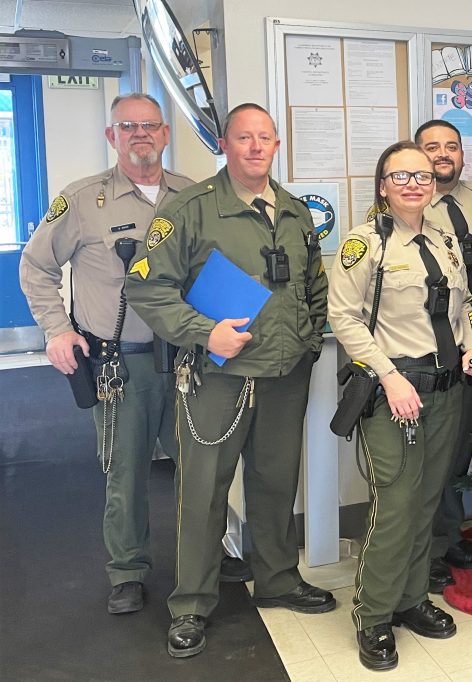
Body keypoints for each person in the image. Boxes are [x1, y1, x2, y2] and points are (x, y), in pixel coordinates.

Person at [124, 103, 334, 659]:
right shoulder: (189, 209)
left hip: (284, 378)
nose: (256, 147)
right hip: (217, 379)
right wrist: (202, 332)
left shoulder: (294, 211)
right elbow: (145, 287)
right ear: (226, 143)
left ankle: (279, 581)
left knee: (274, 484)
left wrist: (309, 343)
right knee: (203, 492)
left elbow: (314, 285)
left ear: (276, 144)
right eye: (245, 138)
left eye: (265, 138)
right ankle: (191, 603)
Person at [19, 93, 194, 616]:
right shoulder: (82, 200)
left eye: (150, 125)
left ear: (165, 135)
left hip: (188, 361)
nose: (141, 134)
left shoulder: (190, 195)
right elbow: (35, 267)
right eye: (128, 126)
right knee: (126, 471)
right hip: (124, 364)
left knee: (200, 467)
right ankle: (128, 570)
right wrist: (56, 329)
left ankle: (202, 559)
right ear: (111, 136)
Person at [328, 141, 472, 671]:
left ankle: (411, 598)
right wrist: (389, 375)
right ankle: (373, 615)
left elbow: (460, 307)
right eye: (401, 177)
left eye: (421, 176)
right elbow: (344, 317)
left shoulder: (442, 240)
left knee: (425, 501)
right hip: (395, 390)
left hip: (444, 390)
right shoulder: (364, 244)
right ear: (383, 186)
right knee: (395, 506)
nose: (414, 184)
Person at [416, 119, 472, 593]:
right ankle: (424, 549)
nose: (443, 154)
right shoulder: (407, 204)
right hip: (434, 345)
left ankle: (447, 537)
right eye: (433, 147)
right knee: (432, 452)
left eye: (451, 146)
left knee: (460, 446)